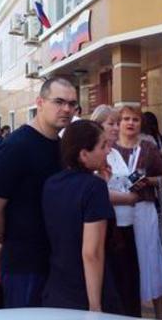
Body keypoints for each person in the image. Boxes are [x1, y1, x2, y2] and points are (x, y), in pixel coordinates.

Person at [0, 77, 78, 308]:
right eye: (59, 101)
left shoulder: (60, 146)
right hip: (25, 267)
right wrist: (10, 240)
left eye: (72, 104)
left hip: (54, 262)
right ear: (40, 102)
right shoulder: (16, 147)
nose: (66, 109)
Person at [41, 120, 121, 313]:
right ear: (84, 154)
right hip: (85, 291)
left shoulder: (51, 183)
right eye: (102, 146)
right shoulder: (94, 188)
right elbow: (91, 252)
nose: (108, 151)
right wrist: (95, 306)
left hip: (57, 286)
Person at [114, 105, 162, 319]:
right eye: (126, 119)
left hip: (144, 210)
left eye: (135, 119)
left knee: (149, 261)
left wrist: (148, 181)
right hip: (118, 212)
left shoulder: (149, 148)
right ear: (119, 123)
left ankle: (160, 314)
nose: (130, 123)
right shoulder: (110, 149)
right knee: (124, 262)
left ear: (141, 124)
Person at [91, 104, 142, 317]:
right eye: (110, 123)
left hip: (128, 224)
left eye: (116, 122)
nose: (115, 127)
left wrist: (135, 183)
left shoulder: (115, 153)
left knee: (130, 281)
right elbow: (97, 190)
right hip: (112, 228)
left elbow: (120, 181)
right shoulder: (97, 154)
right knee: (118, 282)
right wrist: (128, 198)